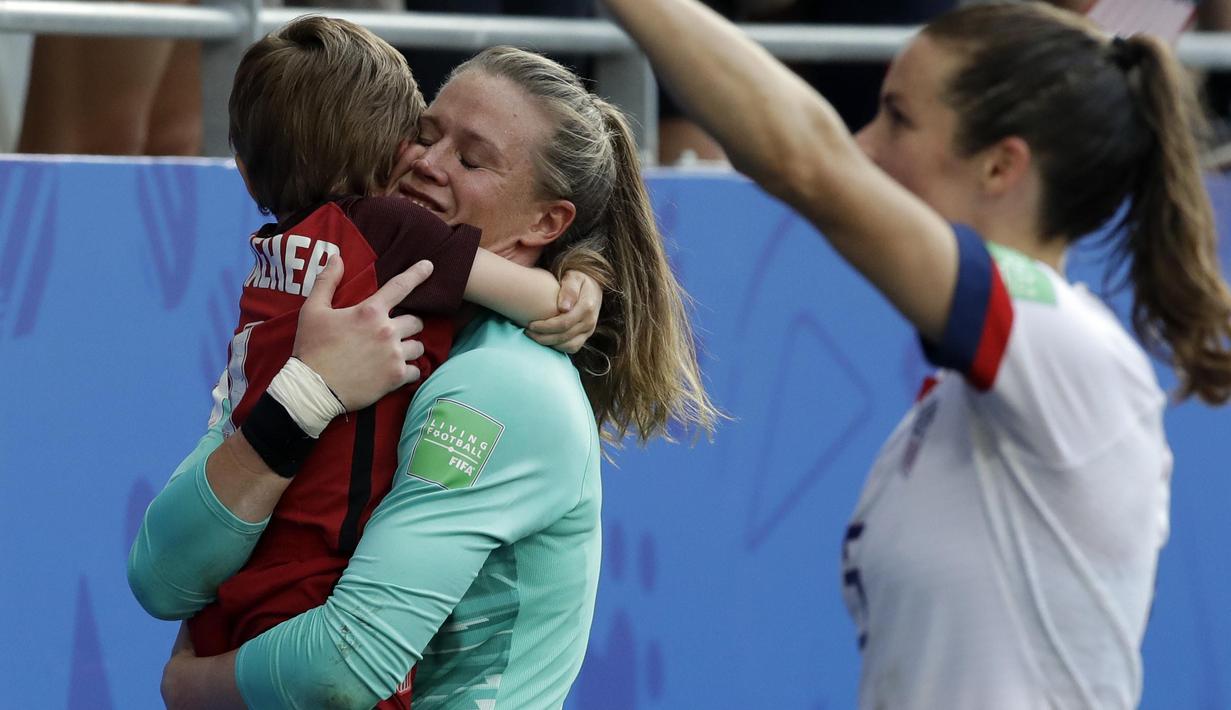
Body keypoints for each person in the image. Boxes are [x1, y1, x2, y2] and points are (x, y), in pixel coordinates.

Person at [599, 0, 1231, 707]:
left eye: (897, 117)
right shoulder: (968, 399)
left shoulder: (1063, 341)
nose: (864, 146)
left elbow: (810, 164)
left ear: (999, 166)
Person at [143, 45, 720, 709]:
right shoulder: (337, 324)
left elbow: (345, 667)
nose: (426, 163)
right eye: (423, 134)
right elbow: (161, 575)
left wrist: (193, 689)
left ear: (545, 222)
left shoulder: (504, 383)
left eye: (471, 160)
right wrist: (304, 394)